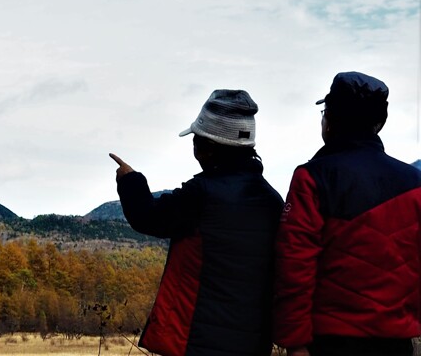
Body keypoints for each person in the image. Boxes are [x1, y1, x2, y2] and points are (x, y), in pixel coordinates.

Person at [110, 89, 283, 356]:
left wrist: (130, 180)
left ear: (209, 147)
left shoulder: (201, 195)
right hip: (253, 343)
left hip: (196, 341)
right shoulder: (273, 201)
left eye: (196, 141)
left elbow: (148, 217)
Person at [273, 71, 421, 356]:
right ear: (379, 124)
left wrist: (295, 342)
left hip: (329, 341)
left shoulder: (313, 177)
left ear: (331, 122)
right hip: (397, 342)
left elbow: (294, 266)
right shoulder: (413, 183)